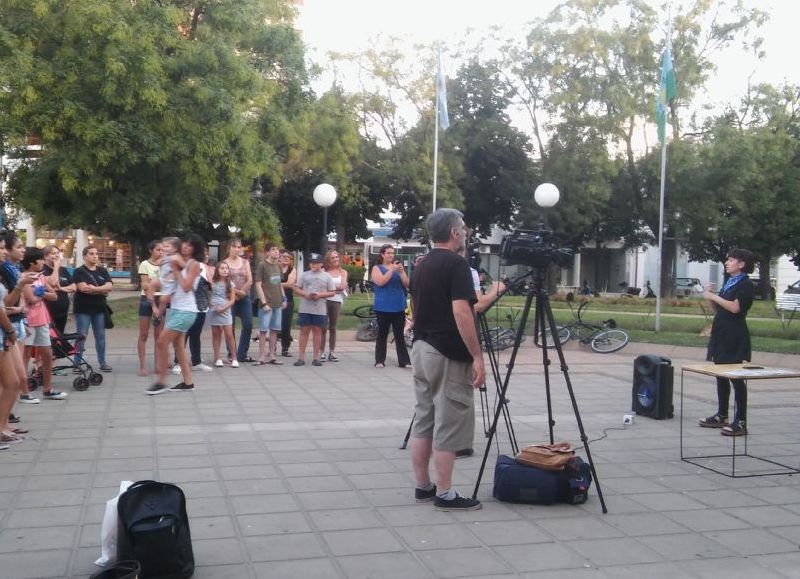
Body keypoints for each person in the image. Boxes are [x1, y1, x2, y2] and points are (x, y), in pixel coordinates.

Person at [409, 208, 485, 511]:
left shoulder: (423, 265)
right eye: (463, 228)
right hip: (447, 353)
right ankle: (445, 492)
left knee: (424, 418)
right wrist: (477, 355)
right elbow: (461, 312)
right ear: (454, 232)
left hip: (422, 348)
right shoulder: (456, 265)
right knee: (449, 421)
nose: (466, 232)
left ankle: (423, 486)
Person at [698, 248, 755, 436]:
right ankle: (722, 415)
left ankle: (741, 421)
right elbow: (720, 308)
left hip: (734, 336)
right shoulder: (730, 282)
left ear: (741, 264)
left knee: (736, 379)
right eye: (727, 260)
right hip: (721, 334)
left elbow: (735, 308)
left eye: (731, 260)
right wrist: (710, 296)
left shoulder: (745, 284)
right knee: (720, 375)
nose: (727, 262)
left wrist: (715, 297)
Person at [147, 234, 205, 394]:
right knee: (179, 347)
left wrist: (174, 270)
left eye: (190, 245)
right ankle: (188, 383)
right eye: (184, 244)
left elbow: (186, 286)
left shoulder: (193, 264)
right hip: (178, 309)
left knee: (161, 342)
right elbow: (168, 283)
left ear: (194, 249)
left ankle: (161, 381)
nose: (186, 247)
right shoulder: (176, 260)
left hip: (187, 311)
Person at [21, 247, 66, 400]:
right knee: (25, 355)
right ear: (32, 262)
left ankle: (47, 389)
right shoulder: (23, 277)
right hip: (28, 322)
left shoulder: (41, 277)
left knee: (47, 354)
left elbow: (54, 296)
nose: (43, 262)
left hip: (42, 320)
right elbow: (31, 299)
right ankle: (24, 391)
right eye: (40, 259)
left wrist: (41, 293)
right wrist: (39, 294)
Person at [73, 246, 114, 372]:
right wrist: (102, 290)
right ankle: (77, 362)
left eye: (96, 253)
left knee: (100, 336)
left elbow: (110, 286)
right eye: (91, 254)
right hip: (83, 308)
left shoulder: (102, 270)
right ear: (85, 256)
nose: (95, 256)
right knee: (81, 335)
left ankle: (102, 362)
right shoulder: (79, 271)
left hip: (99, 308)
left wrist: (95, 289)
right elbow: (83, 288)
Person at [370, 244, 410, 369]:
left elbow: (407, 284)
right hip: (383, 306)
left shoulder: (397, 268)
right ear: (382, 254)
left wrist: (402, 272)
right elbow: (380, 282)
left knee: (399, 334)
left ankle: (404, 361)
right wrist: (391, 270)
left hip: (398, 305)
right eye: (388, 253)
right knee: (382, 333)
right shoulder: (377, 268)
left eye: (392, 253)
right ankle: (379, 360)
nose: (391, 255)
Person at [292, 253, 335, 367]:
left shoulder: (327, 276)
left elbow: (332, 292)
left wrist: (320, 295)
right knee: (304, 331)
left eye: (316, 263)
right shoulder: (305, 275)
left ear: (321, 264)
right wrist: (305, 294)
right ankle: (301, 357)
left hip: (319, 307)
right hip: (305, 307)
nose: (313, 265)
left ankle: (316, 357)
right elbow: (296, 287)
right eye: (311, 263)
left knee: (317, 331)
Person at [254, 243, 286, 365]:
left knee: (275, 330)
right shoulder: (262, 265)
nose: (276, 252)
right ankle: (261, 357)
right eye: (273, 250)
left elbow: (279, 284)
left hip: (278, 302)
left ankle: (272, 355)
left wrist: (284, 298)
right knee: (263, 330)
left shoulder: (278, 265)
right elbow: (258, 284)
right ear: (267, 252)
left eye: (277, 250)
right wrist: (264, 302)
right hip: (267, 303)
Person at [223, 239, 254, 363]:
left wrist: (241, 293)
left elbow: (250, 280)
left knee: (248, 323)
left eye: (239, 247)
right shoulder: (224, 263)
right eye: (234, 247)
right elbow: (223, 281)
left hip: (244, 296)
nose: (237, 249)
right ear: (229, 248)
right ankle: (232, 353)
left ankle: (242, 353)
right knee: (230, 326)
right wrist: (234, 293)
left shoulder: (245, 262)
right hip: (229, 297)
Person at [137, 240, 163, 376]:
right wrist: (152, 304)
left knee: (159, 335)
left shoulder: (165, 265)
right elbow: (145, 286)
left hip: (161, 299)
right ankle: (142, 366)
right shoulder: (145, 264)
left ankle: (158, 365)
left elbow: (167, 283)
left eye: (162, 250)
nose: (161, 252)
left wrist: (154, 284)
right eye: (158, 250)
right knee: (144, 334)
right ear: (151, 250)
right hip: (147, 299)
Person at [208, 261, 238, 368]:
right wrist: (212, 305)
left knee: (229, 335)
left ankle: (234, 357)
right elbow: (210, 296)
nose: (225, 270)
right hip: (214, 311)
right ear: (217, 270)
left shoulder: (230, 284)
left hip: (225, 310)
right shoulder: (212, 283)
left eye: (226, 268)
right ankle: (217, 357)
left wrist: (223, 308)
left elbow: (232, 300)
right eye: (222, 268)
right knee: (216, 334)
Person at [320, 250, 348, 362]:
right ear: (328, 260)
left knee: (333, 327)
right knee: (323, 327)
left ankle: (332, 352)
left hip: (337, 301)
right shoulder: (324, 272)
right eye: (333, 258)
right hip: (324, 300)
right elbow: (321, 286)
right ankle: (321, 352)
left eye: (337, 257)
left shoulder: (343, 272)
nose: (336, 259)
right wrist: (334, 289)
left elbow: (343, 286)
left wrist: (331, 288)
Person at [42, 245, 75, 335]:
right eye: (53, 253)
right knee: (50, 338)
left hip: (63, 311)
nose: (56, 255)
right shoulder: (42, 269)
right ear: (45, 256)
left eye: (58, 253)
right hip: (49, 311)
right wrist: (56, 268)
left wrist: (61, 288)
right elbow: (53, 283)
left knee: (60, 337)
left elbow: (73, 287)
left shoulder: (63, 270)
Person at [279, 250, 296, 357]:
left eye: (288, 257)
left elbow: (290, 284)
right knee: (274, 325)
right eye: (284, 256)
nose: (286, 259)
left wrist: (276, 283)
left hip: (288, 300)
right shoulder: (274, 268)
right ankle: (272, 348)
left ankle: (285, 348)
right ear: (279, 257)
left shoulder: (292, 270)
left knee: (286, 324)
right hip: (275, 299)